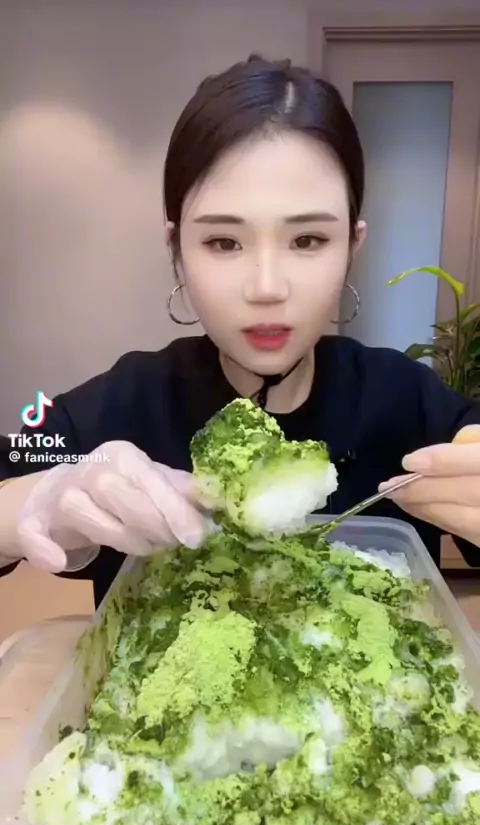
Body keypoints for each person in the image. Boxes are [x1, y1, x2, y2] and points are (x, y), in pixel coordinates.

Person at [1, 54, 480, 608]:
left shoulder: (406, 397)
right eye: (224, 242)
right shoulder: (123, 402)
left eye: (307, 241)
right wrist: (33, 504)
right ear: (177, 251)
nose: (267, 287)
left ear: (353, 244)